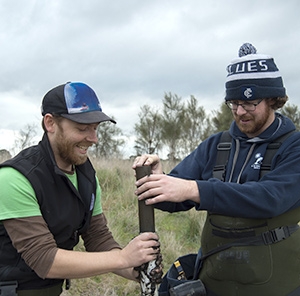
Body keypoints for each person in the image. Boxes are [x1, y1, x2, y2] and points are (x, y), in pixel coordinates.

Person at [132, 43, 300, 296]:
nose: (240, 112)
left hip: (278, 285)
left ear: (273, 100)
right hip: (214, 280)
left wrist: (194, 188)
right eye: (233, 103)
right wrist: (159, 182)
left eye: (249, 102)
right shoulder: (217, 145)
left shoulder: (294, 146)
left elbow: (270, 198)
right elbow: (175, 199)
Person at [0, 82, 160, 296]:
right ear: (50, 123)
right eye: (82, 128)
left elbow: (98, 238)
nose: (93, 139)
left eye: (95, 128)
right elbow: (44, 259)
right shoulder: (15, 178)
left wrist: (134, 270)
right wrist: (123, 257)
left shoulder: (86, 175)